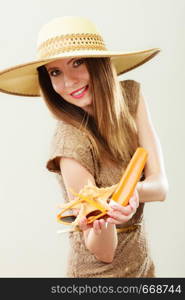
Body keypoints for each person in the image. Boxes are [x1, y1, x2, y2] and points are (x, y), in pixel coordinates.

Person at [0, 16, 169, 278]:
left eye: (77, 63)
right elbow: (103, 251)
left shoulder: (131, 98)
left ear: (98, 63)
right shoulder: (69, 142)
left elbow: (160, 187)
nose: (68, 82)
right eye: (54, 72)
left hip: (142, 268)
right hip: (96, 277)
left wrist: (124, 197)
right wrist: (105, 218)